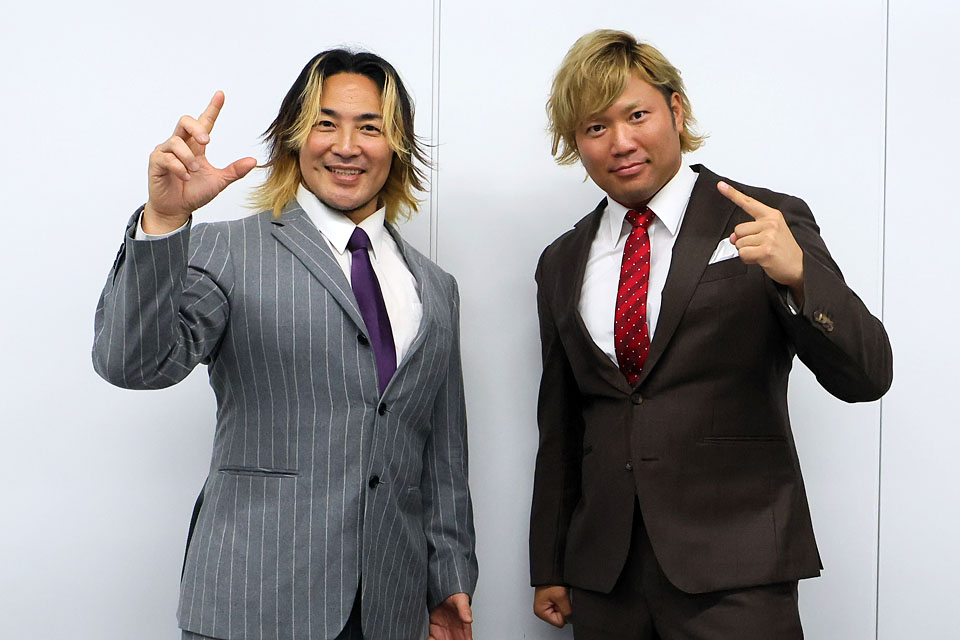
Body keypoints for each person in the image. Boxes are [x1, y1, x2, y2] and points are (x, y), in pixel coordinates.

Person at [93, 48, 477, 640]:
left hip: (390, 611)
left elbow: (443, 456)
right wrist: (164, 222)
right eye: (326, 123)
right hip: (253, 604)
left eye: (369, 127)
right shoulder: (226, 250)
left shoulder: (436, 287)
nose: (346, 146)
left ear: (397, 146)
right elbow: (132, 364)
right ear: (294, 138)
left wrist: (449, 578)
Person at [529, 30, 892, 639]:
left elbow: (868, 375)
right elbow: (561, 422)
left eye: (636, 115)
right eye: (595, 127)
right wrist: (550, 563)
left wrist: (800, 277)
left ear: (676, 109)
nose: (620, 142)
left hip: (738, 570)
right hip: (605, 578)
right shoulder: (561, 260)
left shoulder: (765, 219)